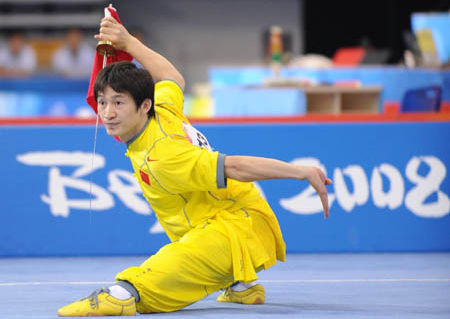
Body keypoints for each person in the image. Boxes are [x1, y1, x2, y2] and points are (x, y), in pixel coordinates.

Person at [57, 16, 332, 317]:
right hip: (233, 219)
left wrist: (300, 171)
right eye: (102, 102)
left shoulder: (162, 154)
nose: (107, 113)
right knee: (182, 221)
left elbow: (235, 166)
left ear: (142, 105)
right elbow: (173, 78)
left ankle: (122, 295)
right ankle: (242, 283)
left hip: (237, 228)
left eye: (119, 103)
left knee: (162, 269)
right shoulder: (160, 110)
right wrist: (129, 43)